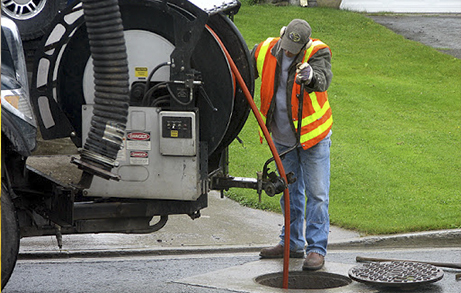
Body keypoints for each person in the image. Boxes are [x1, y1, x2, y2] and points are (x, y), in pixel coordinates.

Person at [251, 19, 333, 270]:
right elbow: (238, 65)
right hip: (282, 138)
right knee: (289, 194)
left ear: (304, 45)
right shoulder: (265, 49)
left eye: (293, 49)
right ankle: (291, 243)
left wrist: (310, 78)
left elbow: (323, 78)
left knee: (317, 195)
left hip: (312, 138)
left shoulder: (318, 52)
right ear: (282, 35)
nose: (288, 52)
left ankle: (316, 249)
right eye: (285, 45)